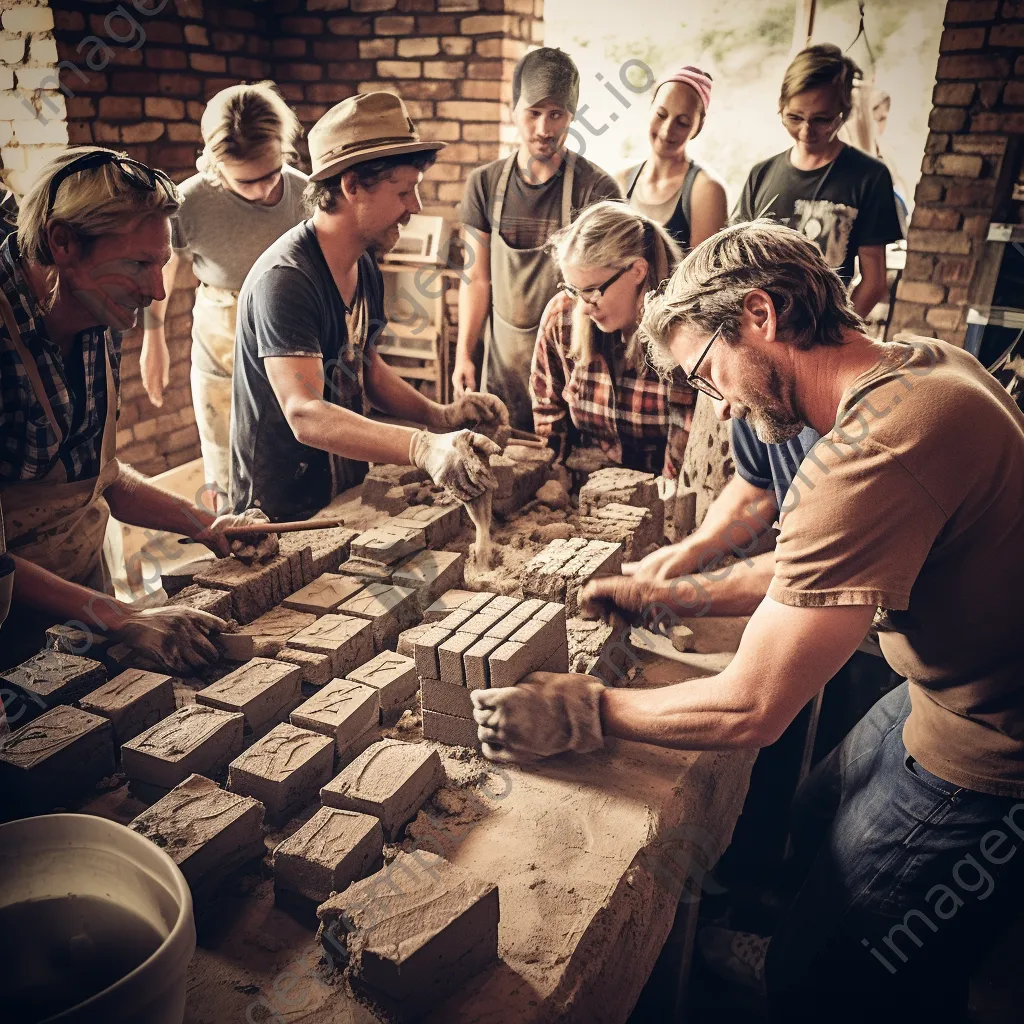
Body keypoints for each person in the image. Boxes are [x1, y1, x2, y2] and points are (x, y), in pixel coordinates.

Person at [471, 221, 1024, 1022]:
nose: (721, 401)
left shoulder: (874, 450)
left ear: (759, 314)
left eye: (708, 372)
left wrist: (582, 711)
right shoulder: (918, 366)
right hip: (949, 684)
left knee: (828, 981)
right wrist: (675, 594)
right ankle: (819, 933)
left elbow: (752, 707)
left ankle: (852, 974)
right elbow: (822, 569)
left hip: (995, 740)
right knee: (814, 809)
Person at [0, 147, 277, 674]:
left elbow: (99, 479)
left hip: (83, 594)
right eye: (137, 264)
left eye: (162, 264)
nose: (155, 291)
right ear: (63, 242)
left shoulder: (94, 309)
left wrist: (206, 523)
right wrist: (123, 615)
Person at [229, 93, 505, 523]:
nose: (414, 206)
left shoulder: (363, 264)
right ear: (351, 185)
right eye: (403, 191)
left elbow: (366, 365)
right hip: (282, 505)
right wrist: (421, 447)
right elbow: (305, 413)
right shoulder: (286, 281)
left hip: (343, 487)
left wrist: (440, 416)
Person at [140, 82, 308, 510]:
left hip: (290, 329)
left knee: (295, 454)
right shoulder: (187, 202)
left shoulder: (306, 194)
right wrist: (154, 341)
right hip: (221, 336)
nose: (262, 191)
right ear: (216, 165)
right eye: (246, 181)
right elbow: (165, 269)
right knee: (226, 465)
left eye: (271, 174)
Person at [453, 47, 622, 429]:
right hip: (503, 369)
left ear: (571, 116)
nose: (544, 129)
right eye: (533, 113)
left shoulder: (595, 189)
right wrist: (465, 353)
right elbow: (476, 279)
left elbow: (609, 292)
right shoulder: (484, 185)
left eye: (556, 114)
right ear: (512, 110)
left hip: (574, 372)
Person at [733, 43, 902, 320]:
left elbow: (874, 282)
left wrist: (833, 331)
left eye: (822, 119)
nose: (806, 131)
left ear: (844, 113)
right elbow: (735, 262)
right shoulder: (761, 175)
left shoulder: (869, 176)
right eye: (794, 117)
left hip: (822, 334)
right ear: (781, 107)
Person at [530, 200, 694, 476]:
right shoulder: (563, 316)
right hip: (586, 482)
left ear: (637, 271)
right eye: (574, 289)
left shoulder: (684, 332)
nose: (583, 306)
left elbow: (683, 452)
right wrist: (554, 476)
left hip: (660, 490)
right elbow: (548, 410)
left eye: (593, 290)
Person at [617, 65, 727, 251]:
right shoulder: (621, 181)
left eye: (682, 123)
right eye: (661, 115)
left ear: (698, 127)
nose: (667, 130)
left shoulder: (706, 191)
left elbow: (705, 276)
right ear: (650, 109)